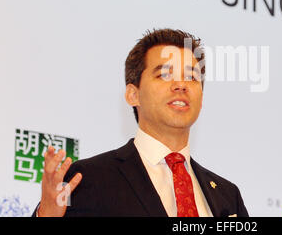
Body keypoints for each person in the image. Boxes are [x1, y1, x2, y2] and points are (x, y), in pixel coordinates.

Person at [33, 28, 249, 217]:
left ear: (201, 99)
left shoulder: (227, 196)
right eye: (165, 74)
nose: (181, 85)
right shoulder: (86, 180)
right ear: (132, 94)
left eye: (192, 77)